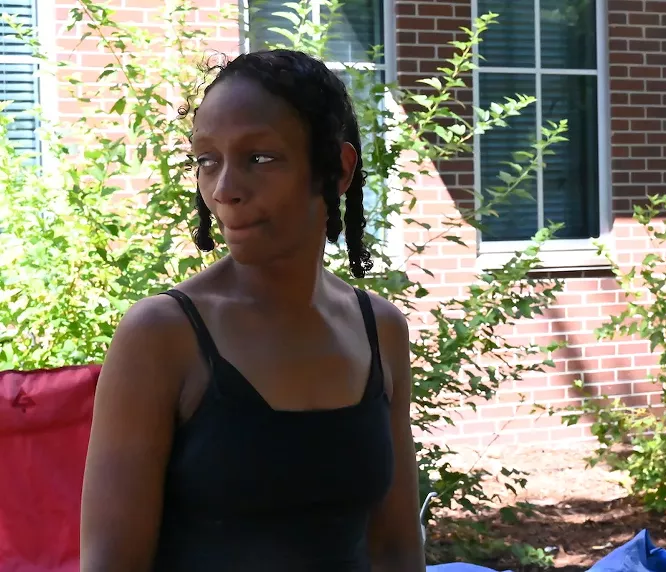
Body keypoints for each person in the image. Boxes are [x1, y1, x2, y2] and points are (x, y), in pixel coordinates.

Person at [79, 49, 425, 571]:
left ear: (338, 168)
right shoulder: (163, 336)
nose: (225, 190)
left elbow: (396, 549)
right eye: (206, 160)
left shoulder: (380, 330)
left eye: (259, 158)